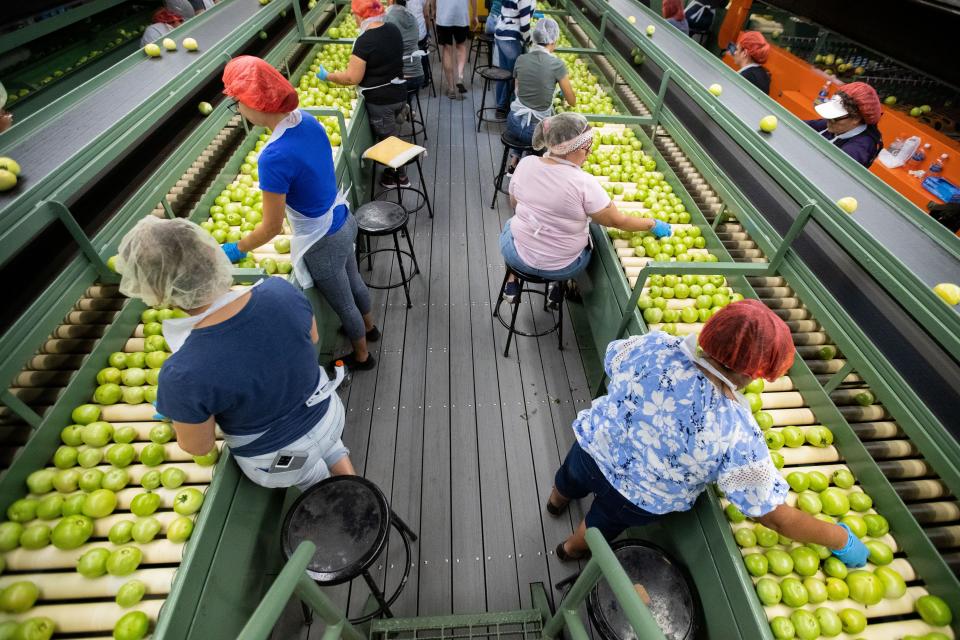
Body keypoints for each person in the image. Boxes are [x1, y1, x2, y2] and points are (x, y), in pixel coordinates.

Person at [546, 300, 871, 572]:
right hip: (638, 494)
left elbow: (614, 358)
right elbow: (773, 516)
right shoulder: (736, 430)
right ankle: (570, 550)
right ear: (752, 374)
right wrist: (840, 538)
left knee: (569, 477)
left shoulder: (656, 345)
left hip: (594, 446)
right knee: (600, 524)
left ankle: (556, 502)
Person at [117, 217, 357, 490]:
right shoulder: (280, 291)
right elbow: (312, 338)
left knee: (312, 477)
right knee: (329, 446)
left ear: (157, 293)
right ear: (211, 254)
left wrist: (183, 407)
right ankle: (355, 489)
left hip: (281, 459)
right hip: (329, 415)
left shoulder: (181, 373)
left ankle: (335, 498)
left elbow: (200, 446)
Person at [222, 55, 379, 371]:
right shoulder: (306, 119)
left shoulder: (273, 157)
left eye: (236, 102)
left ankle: (362, 356)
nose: (238, 109)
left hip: (323, 241)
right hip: (343, 218)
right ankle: (371, 328)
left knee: (343, 302)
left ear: (255, 104)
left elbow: (270, 228)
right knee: (355, 281)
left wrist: (235, 249)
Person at [500, 113, 672, 308]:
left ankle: (512, 280)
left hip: (517, 255)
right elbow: (617, 221)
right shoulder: (584, 183)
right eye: (587, 149)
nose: (589, 154)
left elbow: (515, 204)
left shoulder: (526, 164)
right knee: (582, 240)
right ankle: (557, 284)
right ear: (574, 150)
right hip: (562, 266)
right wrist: (651, 224)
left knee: (511, 225)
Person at [319, 0, 409, 188]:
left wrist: (328, 76)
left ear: (361, 15)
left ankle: (400, 177)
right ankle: (402, 116)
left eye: (354, 15)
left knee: (388, 139)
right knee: (391, 131)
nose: (354, 19)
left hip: (382, 102)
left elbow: (352, 78)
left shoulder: (365, 41)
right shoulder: (393, 29)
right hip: (400, 93)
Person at [505, 19, 575, 165]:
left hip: (512, 123)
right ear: (554, 40)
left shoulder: (521, 58)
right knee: (545, 133)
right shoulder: (557, 64)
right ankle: (532, 167)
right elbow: (572, 101)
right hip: (534, 133)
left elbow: (518, 91)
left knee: (524, 121)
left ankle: (514, 161)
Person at [806, 82, 884, 168]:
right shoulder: (837, 124)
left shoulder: (857, 150)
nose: (828, 120)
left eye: (834, 117)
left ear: (856, 119)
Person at [425, 0, 478, 99]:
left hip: (444, 15)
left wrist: (434, 10)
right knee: (461, 46)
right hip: (461, 14)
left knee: (447, 49)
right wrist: (475, 15)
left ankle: (451, 89)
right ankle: (460, 77)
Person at [493, 0, 535, 117]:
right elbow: (525, 26)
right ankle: (503, 108)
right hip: (511, 38)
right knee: (511, 75)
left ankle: (500, 105)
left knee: (504, 72)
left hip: (501, 33)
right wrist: (531, 41)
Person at [385, 0, 426, 91]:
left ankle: (403, 103)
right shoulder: (412, 17)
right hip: (418, 75)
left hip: (401, 78)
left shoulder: (387, 18)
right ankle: (406, 103)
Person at [731, 31, 771, 95]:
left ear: (745, 53)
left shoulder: (743, 78)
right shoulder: (764, 75)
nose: (734, 53)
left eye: (737, 49)